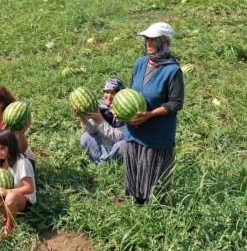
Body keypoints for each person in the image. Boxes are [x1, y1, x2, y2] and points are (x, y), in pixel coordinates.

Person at [121, 22, 184, 204]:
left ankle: (155, 217)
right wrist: (120, 111)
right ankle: (136, 213)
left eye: (152, 39)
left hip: (156, 136)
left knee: (153, 188)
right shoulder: (139, 64)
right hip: (133, 132)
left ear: (163, 41)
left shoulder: (173, 70)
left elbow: (175, 103)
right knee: (135, 184)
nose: (147, 42)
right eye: (146, 38)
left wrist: (150, 114)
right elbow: (131, 92)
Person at [72, 77, 126, 164]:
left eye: (113, 93)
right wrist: (81, 116)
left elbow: (119, 137)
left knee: (125, 144)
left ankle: (104, 163)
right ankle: (104, 162)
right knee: (86, 137)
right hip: (103, 147)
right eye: (107, 92)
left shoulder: (124, 110)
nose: (109, 96)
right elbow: (91, 130)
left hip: (116, 148)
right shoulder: (99, 106)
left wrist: (100, 120)